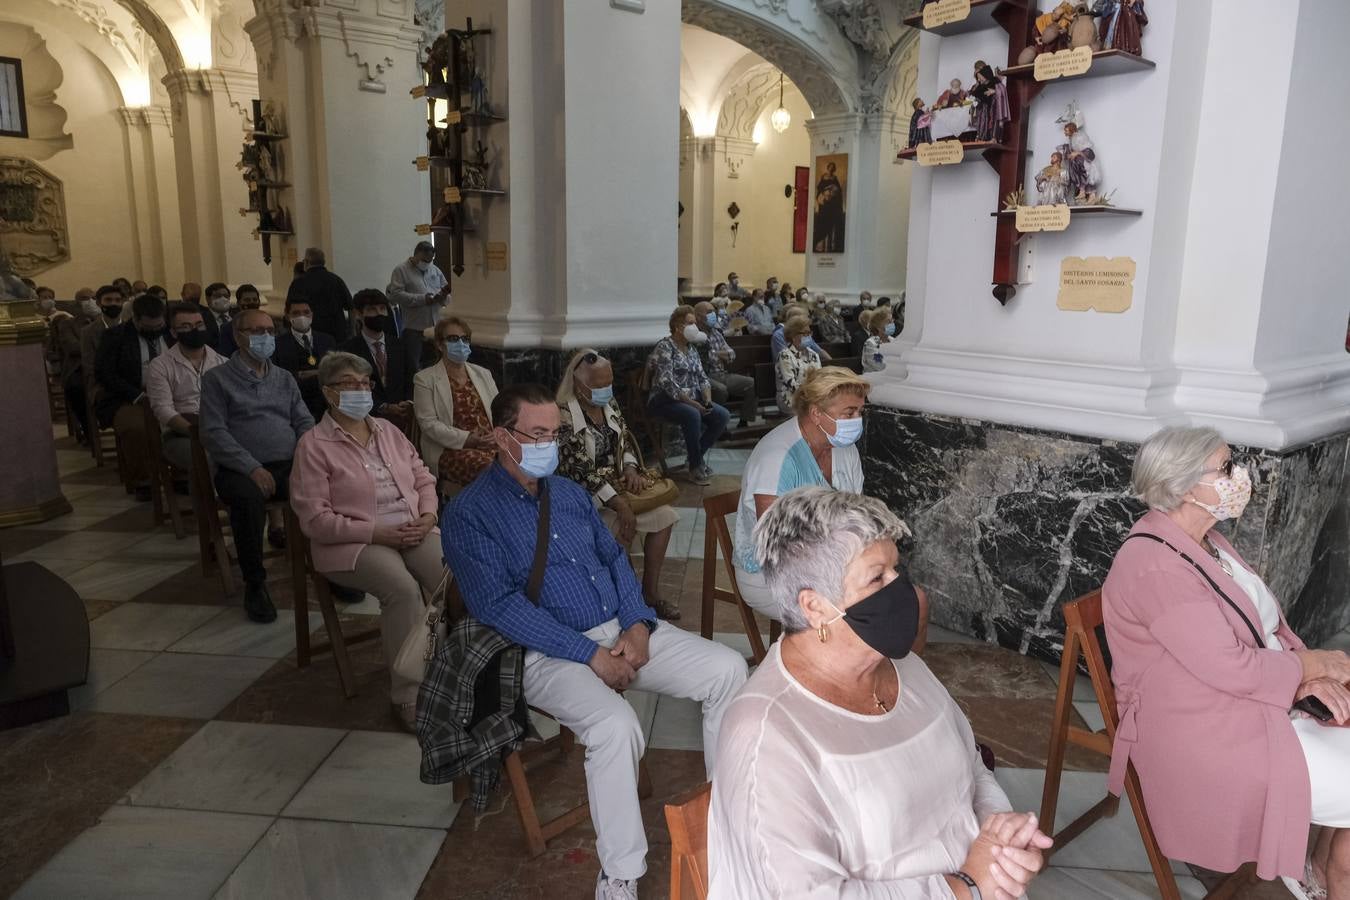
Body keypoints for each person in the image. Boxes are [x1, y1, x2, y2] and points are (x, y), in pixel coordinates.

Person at [442, 383, 748, 899]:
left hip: (619, 628)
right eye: (536, 434)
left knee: (729, 671)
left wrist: (636, 623)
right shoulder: (469, 512)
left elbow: (612, 559)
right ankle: (620, 873)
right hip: (544, 651)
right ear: (501, 437)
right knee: (614, 727)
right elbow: (497, 606)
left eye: (554, 434)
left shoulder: (567, 493)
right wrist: (590, 655)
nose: (549, 445)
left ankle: (725, 815)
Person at [708, 487, 1050, 899]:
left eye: (896, 570)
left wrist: (1002, 838)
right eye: (877, 578)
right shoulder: (766, 734)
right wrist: (964, 888)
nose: (903, 590)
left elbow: (973, 770)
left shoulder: (904, 668)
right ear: (815, 606)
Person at [1103, 426, 1350, 899]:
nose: (1242, 476)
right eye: (1227, 468)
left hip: (1255, 698)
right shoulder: (1154, 566)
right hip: (1206, 729)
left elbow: (1267, 626)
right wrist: (1311, 666)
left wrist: (1300, 676)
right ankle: (1332, 876)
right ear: (1185, 486)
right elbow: (1231, 667)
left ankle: (1322, 869)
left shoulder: (1207, 540)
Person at [290, 352, 442, 731]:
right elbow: (316, 519)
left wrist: (427, 517)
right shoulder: (314, 445)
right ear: (328, 392)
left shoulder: (388, 431)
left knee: (455, 576)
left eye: (365, 382)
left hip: (410, 528)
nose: (361, 389)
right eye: (349, 383)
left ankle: (454, 670)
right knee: (403, 590)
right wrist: (376, 532)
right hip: (354, 542)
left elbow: (423, 478)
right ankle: (408, 694)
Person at [199, 309, 315, 623]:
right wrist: (250, 467)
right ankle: (255, 583)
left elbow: (303, 419)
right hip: (240, 468)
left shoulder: (284, 377)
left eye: (268, 330)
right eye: (255, 331)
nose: (264, 337)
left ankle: (331, 570)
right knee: (248, 501)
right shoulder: (217, 379)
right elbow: (213, 432)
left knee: (325, 487)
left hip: (288, 462)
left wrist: (307, 455)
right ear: (237, 336)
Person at [557, 350, 682, 621]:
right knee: (618, 525)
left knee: (665, 516)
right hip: (586, 497)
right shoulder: (565, 416)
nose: (606, 390)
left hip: (619, 486)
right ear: (579, 384)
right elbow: (580, 471)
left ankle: (650, 593)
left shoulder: (608, 405)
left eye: (609, 383)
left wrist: (630, 468)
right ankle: (624, 598)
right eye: (599, 385)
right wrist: (618, 503)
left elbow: (624, 439)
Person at [646, 305, 730, 487]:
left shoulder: (691, 350)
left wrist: (706, 400)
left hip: (692, 400)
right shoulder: (665, 347)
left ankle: (695, 456)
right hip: (664, 400)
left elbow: (702, 378)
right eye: (690, 323)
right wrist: (694, 404)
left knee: (722, 415)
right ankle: (695, 467)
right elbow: (667, 383)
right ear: (678, 327)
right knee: (692, 414)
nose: (695, 327)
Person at [411, 316, 498, 490]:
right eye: (453, 339)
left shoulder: (483, 374)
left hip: (490, 442)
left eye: (465, 339)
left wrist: (498, 434)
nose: (460, 343)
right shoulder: (425, 379)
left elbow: (501, 410)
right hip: (450, 450)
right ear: (439, 344)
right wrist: (469, 439)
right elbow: (429, 424)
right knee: (493, 469)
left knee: (524, 460)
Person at [94, 292, 167, 497]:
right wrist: (138, 395)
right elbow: (104, 373)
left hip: (170, 394)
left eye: (158, 327)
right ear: (134, 319)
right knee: (137, 428)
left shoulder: (170, 332)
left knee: (190, 421)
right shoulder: (115, 336)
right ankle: (144, 480)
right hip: (128, 396)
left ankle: (181, 475)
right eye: (148, 328)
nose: (154, 332)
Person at [145, 303, 227, 472]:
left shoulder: (223, 362)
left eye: (199, 325)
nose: (194, 331)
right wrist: (196, 433)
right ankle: (206, 498)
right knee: (205, 457)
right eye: (186, 327)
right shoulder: (160, 365)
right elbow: (163, 410)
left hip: (221, 429)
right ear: (174, 332)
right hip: (181, 433)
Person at [341, 288, 418, 424]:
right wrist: (384, 407)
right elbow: (350, 388)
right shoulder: (348, 350)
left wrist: (408, 402)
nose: (379, 314)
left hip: (402, 418)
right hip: (366, 419)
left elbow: (411, 377)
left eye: (382, 308)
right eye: (372, 309)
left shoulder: (400, 345)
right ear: (359, 314)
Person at [694, 300, 757, 428]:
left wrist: (716, 353)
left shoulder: (716, 333)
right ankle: (716, 424)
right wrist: (719, 354)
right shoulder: (695, 335)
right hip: (706, 376)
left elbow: (731, 354)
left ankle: (744, 421)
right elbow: (703, 357)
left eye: (714, 311)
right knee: (721, 390)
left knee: (753, 384)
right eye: (709, 312)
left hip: (723, 374)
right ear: (698, 317)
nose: (713, 315)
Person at [274, 297, 336, 421]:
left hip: (326, 403)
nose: (302, 316)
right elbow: (279, 376)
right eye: (296, 313)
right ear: (287, 316)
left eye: (306, 312)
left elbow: (335, 370)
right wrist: (318, 372)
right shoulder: (278, 344)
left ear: (312, 314)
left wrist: (309, 373)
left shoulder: (327, 340)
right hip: (295, 403)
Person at [55, 289, 98, 441]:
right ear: (76, 302)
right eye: (85, 298)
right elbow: (73, 348)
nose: (90, 301)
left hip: (103, 368)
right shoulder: (68, 324)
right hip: (78, 368)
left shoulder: (104, 322)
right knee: (75, 388)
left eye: (93, 298)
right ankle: (89, 430)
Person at [287, 247, 353, 341]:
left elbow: (290, 308)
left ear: (306, 262)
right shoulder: (336, 280)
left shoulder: (299, 283)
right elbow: (350, 307)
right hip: (337, 334)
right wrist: (351, 331)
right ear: (323, 262)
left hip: (311, 334)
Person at [387, 240, 451, 333]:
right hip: (414, 327)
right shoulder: (401, 270)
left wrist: (443, 297)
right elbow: (396, 295)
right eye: (424, 260)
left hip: (436, 325)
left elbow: (446, 292)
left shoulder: (435, 270)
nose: (427, 263)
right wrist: (423, 299)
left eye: (430, 260)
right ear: (416, 254)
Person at [775, 316, 822, 417]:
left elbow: (819, 378)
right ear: (793, 335)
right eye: (805, 333)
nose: (808, 336)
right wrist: (811, 396)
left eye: (809, 333)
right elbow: (791, 385)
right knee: (814, 412)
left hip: (811, 396)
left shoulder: (814, 354)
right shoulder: (785, 355)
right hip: (790, 398)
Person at [813, 160, 845, 254]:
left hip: (831, 205)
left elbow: (838, 191)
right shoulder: (823, 177)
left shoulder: (835, 178)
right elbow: (819, 189)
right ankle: (818, 245)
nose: (831, 169)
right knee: (822, 224)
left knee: (830, 224)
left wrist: (832, 193)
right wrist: (824, 193)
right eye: (829, 167)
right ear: (828, 168)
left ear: (834, 169)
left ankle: (830, 247)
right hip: (824, 205)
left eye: (832, 168)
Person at [861, 307, 895, 373]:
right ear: (878, 326)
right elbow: (880, 365)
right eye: (888, 321)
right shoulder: (870, 344)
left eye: (892, 320)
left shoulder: (893, 340)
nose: (892, 323)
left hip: (891, 376)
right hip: (874, 379)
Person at [201, 282, 232, 352]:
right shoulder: (202, 319)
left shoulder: (237, 316)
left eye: (226, 296)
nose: (223, 299)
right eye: (218, 296)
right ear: (208, 299)